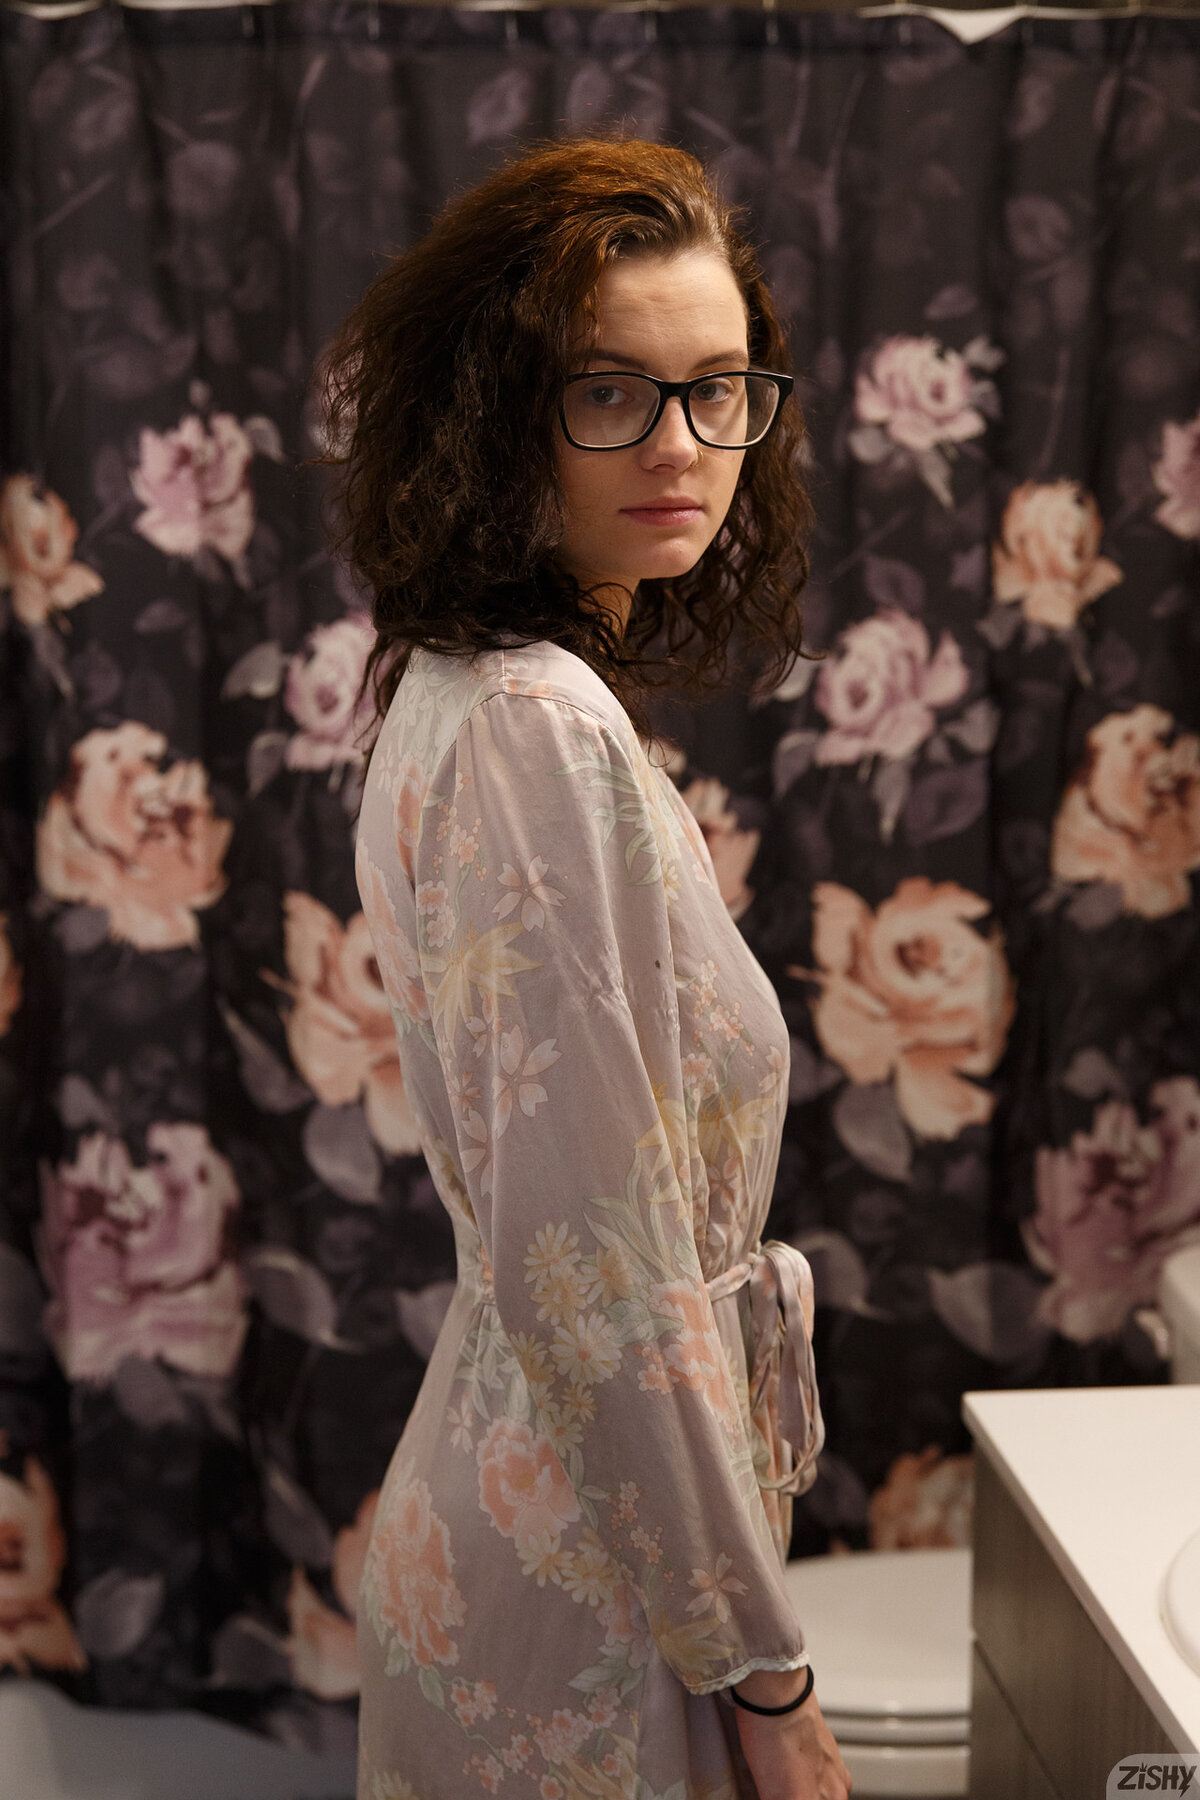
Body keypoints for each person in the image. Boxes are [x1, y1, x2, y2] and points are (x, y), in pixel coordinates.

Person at [313, 134, 853, 1800]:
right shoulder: (534, 725)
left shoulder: (470, 688)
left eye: (717, 391)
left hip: (567, 1510)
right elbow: (596, 1276)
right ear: (496, 413)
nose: (683, 444)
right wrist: (765, 1677)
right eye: (610, 391)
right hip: (591, 1582)